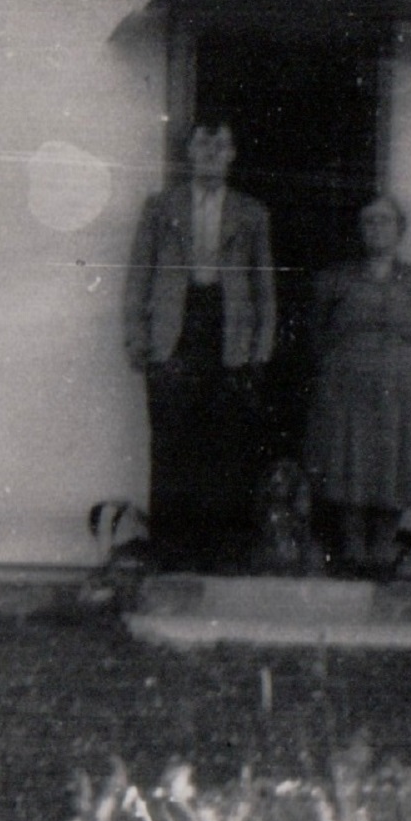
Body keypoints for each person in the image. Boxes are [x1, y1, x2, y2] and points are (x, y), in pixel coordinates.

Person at [123, 122, 276, 571]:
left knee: (225, 441)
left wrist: (261, 348)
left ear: (232, 154)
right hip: (174, 331)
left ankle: (219, 554)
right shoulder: (160, 207)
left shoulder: (251, 212)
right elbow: (138, 276)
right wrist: (136, 335)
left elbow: (263, 285)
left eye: (221, 145)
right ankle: (170, 552)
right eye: (202, 145)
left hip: (228, 332)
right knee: (170, 438)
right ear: (189, 153)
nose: (211, 153)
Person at [301, 195, 411, 574]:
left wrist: (397, 363)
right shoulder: (335, 279)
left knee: (394, 462)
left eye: (384, 221)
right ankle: (352, 550)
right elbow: (316, 332)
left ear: (400, 229)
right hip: (347, 385)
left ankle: (382, 549)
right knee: (349, 460)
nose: (376, 228)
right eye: (368, 221)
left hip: (402, 389)